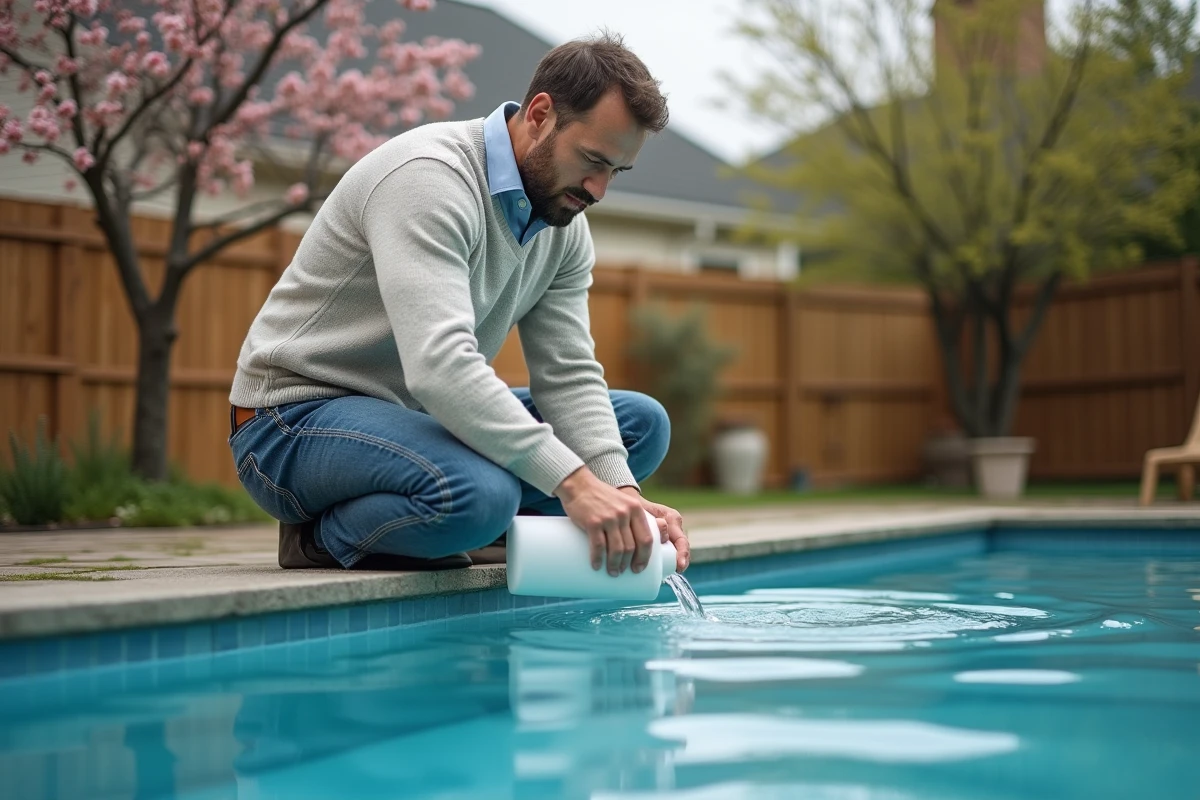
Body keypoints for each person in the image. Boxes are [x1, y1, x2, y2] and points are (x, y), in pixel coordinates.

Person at [227, 32, 690, 576]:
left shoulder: (562, 224)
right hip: (292, 419)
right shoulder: (429, 178)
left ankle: (462, 526)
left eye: (616, 170)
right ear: (540, 115)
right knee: (478, 493)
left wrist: (620, 493)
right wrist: (574, 483)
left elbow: (567, 375)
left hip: (416, 420)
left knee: (639, 426)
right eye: (592, 160)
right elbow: (440, 364)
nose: (599, 189)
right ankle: (328, 539)